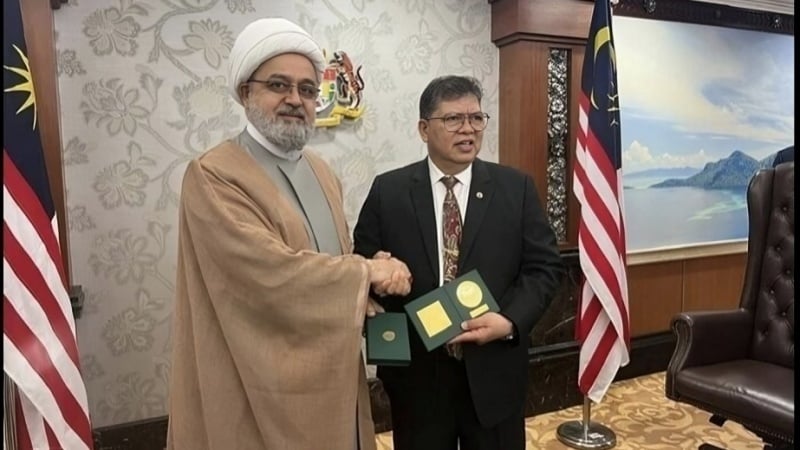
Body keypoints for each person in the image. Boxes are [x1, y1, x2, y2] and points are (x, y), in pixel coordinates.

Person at [166, 17, 412, 450]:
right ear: (246, 92)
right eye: (278, 85)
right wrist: (364, 274)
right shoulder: (213, 174)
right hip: (254, 382)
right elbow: (266, 273)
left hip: (332, 372)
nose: (295, 99)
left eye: (307, 89)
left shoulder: (321, 171)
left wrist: (367, 282)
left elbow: (329, 259)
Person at [353, 75, 565, 450]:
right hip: (418, 377)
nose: (468, 129)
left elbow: (544, 268)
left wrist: (509, 321)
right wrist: (378, 275)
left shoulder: (515, 188)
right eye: (453, 119)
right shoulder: (389, 191)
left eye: (476, 118)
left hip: (494, 369)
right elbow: (364, 263)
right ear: (424, 129)